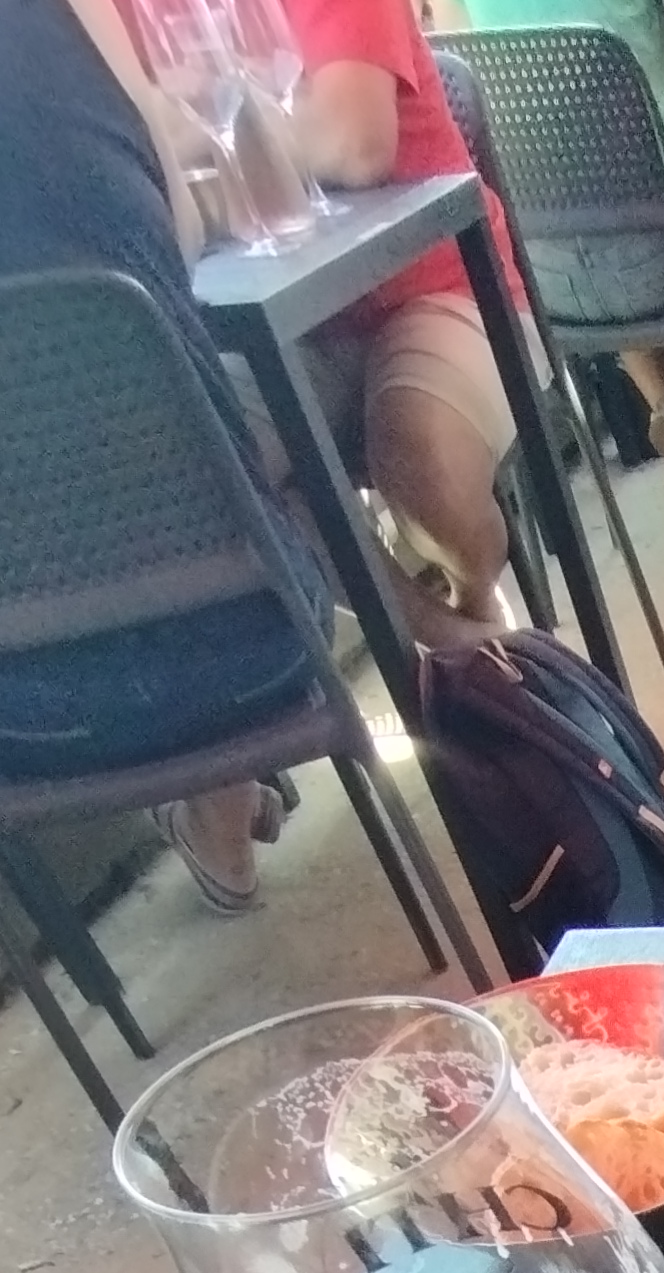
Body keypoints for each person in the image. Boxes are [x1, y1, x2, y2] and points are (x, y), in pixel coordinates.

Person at [0, 0, 331, 911]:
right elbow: (174, 240)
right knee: (224, 440)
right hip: (256, 641)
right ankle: (221, 801)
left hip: (25, 722)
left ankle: (214, 818)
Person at [445, 0, 664, 561]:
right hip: (661, 242)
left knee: (616, 277)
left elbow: (457, 65)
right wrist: (640, 47)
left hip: (538, 266)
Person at [282, 0, 534, 646]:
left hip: (446, 280)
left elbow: (356, 144)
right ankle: (459, 647)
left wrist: (233, 133)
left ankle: (475, 600)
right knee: (209, 466)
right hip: (293, 320)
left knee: (423, 462)